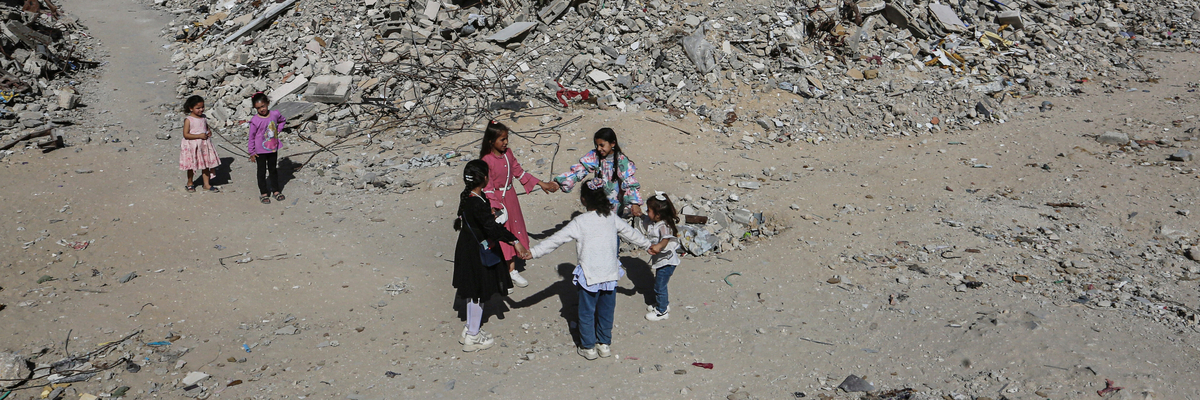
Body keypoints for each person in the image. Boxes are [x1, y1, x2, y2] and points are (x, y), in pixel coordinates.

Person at [526, 179, 651, 360]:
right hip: (609, 275)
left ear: (584, 200)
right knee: (607, 311)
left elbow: (555, 240)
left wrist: (533, 253)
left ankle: (588, 347)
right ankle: (605, 344)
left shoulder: (579, 222)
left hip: (589, 276)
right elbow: (631, 234)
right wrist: (649, 245)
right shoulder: (611, 217)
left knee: (586, 312)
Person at [453, 160, 531, 352]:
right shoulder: (477, 203)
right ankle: (473, 336)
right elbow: (492, 228)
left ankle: (469, 328)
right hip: (476, 254)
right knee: (478, 294)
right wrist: (515, 241)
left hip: (467, 250)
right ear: (484, 179)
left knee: (473, 294)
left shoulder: (469, 199)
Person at [479, 121, 559, 290]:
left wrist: (541, 183)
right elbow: (487, 186)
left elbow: (518, 171)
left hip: (511, 198)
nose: (505, 143)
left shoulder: (508, 154)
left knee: (514, 229)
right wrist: (495, 207)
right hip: (498, 201)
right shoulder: (486, 161)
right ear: (491, 141)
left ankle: (512, 270)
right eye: (502, 140)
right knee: (502, 232)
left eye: (506, 139)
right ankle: (502, 272)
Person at [553, 128, 643, 218]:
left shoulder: (621, 160)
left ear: (613, 144)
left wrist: (634, 203)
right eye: (597, 145)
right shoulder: (595, 156)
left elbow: (629, 181)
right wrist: (559, 182)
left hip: (616, 204)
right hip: (599, 199)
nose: (599, 148)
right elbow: (580, 169)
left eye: (602, 145)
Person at [641, 192, 681, 321]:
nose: (647, 212)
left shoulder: (664, 226)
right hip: (662, 261)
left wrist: (659, 246)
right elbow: (644, 220)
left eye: (649, 210)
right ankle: (663, 303)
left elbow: (666, 238)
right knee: (660, 284)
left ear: (658, 214)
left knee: (659, 286)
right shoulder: (655, 222)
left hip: (667, 262)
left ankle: (662, 311)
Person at [247, 92, 287, 204]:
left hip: (273, 148)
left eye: (263, 106)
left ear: (268, 104)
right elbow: (251, 137)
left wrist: (277, 130)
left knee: (273, 170)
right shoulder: (255, 120)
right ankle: (264, 193)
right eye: (258, 108)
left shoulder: (274, 114)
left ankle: (276, 191)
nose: (262, 110)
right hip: (260, 151)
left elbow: (282, 120)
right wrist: (251, 152)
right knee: (261, 172)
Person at [179, 95, 221, 193]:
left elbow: (206, 128)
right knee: (191, 165)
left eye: (202, 107)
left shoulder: (204, 117)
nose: (201, 110)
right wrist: (199, 136)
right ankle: (190, 183)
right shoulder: (189, 120)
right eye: (198, 108)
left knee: (206, 164)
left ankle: (206, 184)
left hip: (204, 145)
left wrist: (209, 132)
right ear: (191, 108)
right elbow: (186, 135)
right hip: (192, 146)